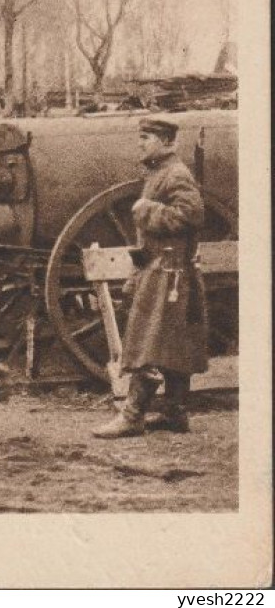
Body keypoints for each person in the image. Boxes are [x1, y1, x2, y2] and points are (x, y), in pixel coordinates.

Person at [93, 117, 208, 439]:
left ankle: (132, 416)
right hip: (160, 268)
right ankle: (175, 413)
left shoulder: (175, 174)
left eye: (146, 137)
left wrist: (145, 211)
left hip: (169, 273)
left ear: (166, 141)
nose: (140, 143)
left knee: (150, 342)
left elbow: (192, 215)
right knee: (173, 344)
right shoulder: (160, 173)